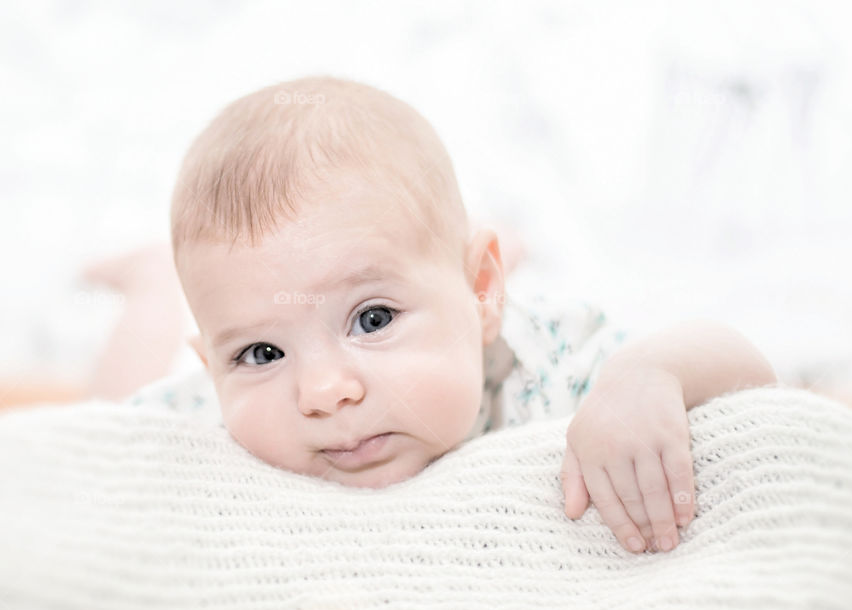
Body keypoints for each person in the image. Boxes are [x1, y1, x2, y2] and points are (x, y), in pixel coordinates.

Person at [123, 75, 777, 556]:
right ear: (213, 371)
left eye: (373, 318)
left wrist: (648, 374)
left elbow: (748, 370)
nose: (324, 393)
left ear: (485, 291)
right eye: (261, 354)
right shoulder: (212, 430)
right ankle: (151, 288)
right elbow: (91, 458)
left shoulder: (552, 371)